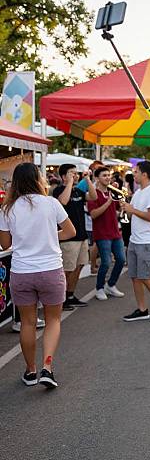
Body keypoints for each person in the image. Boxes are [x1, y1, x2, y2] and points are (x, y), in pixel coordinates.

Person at [0, 163, 76, 388]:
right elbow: (71, 231)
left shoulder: (7, 209)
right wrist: (50, 236)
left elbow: (5, 244)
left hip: (22, 271)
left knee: (28, 322)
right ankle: (47, 367)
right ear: (37, 179)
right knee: (53, 320)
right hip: (51, 269)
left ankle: (31, 370)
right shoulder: (51, 203)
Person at [121, 161, 150, 322]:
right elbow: (133, 213)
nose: (133, 174)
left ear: (144, 174)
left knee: (145, 276)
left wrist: (131, 209)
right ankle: (142, 309)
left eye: (136, 172)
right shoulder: (138, 192)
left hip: (147, 240)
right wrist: (126, 208)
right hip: (135, 239)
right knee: (135, 277)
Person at [53, 164, 97, 310]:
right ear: (64, 176)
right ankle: (61, 298)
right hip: (68, 239)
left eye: (76, 173)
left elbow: (93, 197)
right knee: (67, 269)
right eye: (71, 173)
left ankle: (70, 295)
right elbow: (63, 201)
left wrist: (88, 180)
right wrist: (70, 183)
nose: (75, 175)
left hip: (81, 236)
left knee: (79, 266)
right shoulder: (58, 190)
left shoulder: (78, 191)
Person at [87, 166, 126, 300]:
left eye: (109, 175)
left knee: (121, 259)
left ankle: (111, 285)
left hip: (115, 231)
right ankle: (99, 288)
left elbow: (117, 210)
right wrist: (109, 201)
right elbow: (93, 214)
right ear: (97, 178)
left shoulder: (112, 191)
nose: (108, 178)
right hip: (102, 233)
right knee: (106, 262)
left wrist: (120, 204)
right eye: (104, 175)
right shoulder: (92, 194)